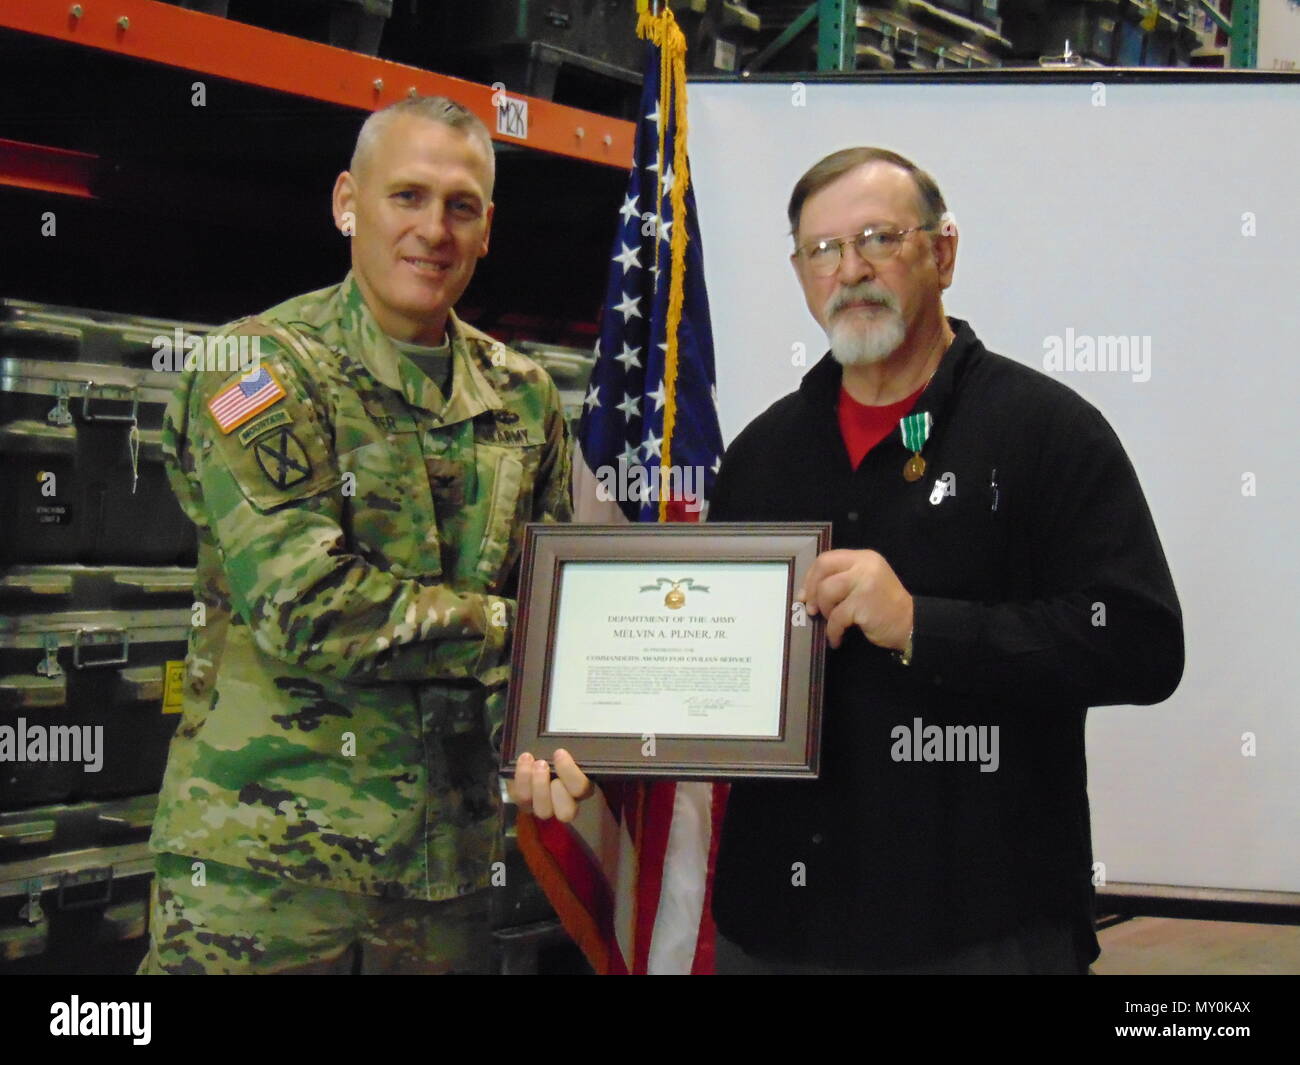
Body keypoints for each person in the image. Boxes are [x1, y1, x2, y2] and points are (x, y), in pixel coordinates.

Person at [525, 147, 1184, 975]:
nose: (852, 269)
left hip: (982, 931)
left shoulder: (1048, 432)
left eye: (879, 237)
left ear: (943, 253)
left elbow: (1144, 643)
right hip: (777, 934)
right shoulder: (763, 455)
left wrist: (921, 625)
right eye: (824, 250)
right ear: (800, 272)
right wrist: (596, 746)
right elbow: (701, 675)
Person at [138, 96, 574, 974]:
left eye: (461, 206)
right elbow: (307, 604)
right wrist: (508, 632)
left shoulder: (524, 395)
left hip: (445, 877)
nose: (433, 230)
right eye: (406, 196)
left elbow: (562, 598)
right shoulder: (255, 369)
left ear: (488, 228)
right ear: (347, 202)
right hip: (265, 878)